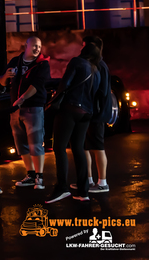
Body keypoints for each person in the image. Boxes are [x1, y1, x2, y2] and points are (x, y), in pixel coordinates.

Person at [46, 43, 102, 204]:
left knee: (59, 147)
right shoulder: (95, 69)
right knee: (78, 148)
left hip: (70, 109)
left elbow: (65, 83)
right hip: (86, 113)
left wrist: (54, 100)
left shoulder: (77, 62)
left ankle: (62, 187)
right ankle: (84, 191)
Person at [0, 36, 50, 190]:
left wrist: (22, 98)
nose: (37, 49)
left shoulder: (42, 64)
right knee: (20, 143)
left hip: (33, 108)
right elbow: (1, 81)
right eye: (34, 46)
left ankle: (39, 178)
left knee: (35, 143)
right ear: (26, 45)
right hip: (16, 110)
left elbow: (37, 85)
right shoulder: (16, 61)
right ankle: (30, 174)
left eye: (39, 47)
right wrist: (6, 76)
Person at [78, 35, 111, 194]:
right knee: (85, 146)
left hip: (96, 113)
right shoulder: (92, 64)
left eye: (85, 46)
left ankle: (102, 182)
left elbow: (102, 91)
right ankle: (88, 180)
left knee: (98, 147)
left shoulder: (100, 65)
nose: (82, 49)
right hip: (89, 111)